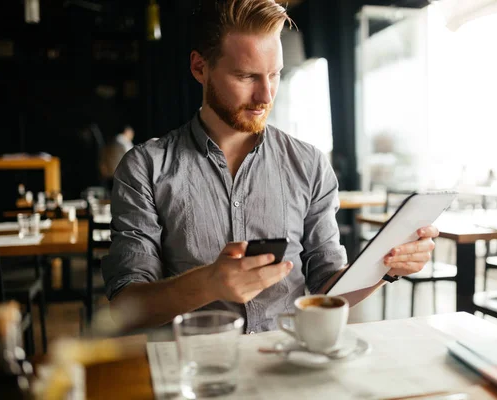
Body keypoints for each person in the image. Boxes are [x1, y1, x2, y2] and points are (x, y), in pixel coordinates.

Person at [102, 0, 439, 333]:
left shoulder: (309, 165)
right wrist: (208, 283)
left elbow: (328, 288)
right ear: (199, 68)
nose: (265, 95)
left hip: (285, 363)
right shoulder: (144, 167)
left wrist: (385, 265)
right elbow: (127, 307)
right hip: (196, 372)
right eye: (246, 76)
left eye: (274, 75)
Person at [98, 125, 135, 192]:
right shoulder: (122, 140)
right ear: (127, 131)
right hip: (120, 174)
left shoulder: (115, 140)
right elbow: (132, 155)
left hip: (113, 173)